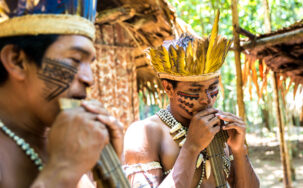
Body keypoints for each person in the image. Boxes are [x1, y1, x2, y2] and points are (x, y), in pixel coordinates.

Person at [124, 11, 260, 188]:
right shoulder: (144, 133)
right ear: (168, 88)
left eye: (212, 88)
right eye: (194, 91)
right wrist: (191, 147)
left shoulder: (219, 130)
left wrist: (239, 150)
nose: (206, 99)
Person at [0, 0, 124, 187]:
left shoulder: (65, 142)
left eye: (90, 63)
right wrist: (62, 170)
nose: (89, 78)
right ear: (17, 61)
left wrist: (110, 171)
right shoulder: (65, 155)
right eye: (75, 60)